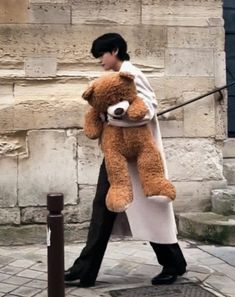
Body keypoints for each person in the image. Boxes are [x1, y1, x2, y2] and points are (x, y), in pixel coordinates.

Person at [65, 33, 187, 287]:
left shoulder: (131, 74)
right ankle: (85, 268)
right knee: (104, 207)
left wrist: (111, 118)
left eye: (102, 54)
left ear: (115, 50)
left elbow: (148, 108)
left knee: (150, 209)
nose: (99, 60)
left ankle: (173, 262)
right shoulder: (112, 77)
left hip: (138, 156)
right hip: (115, 155)